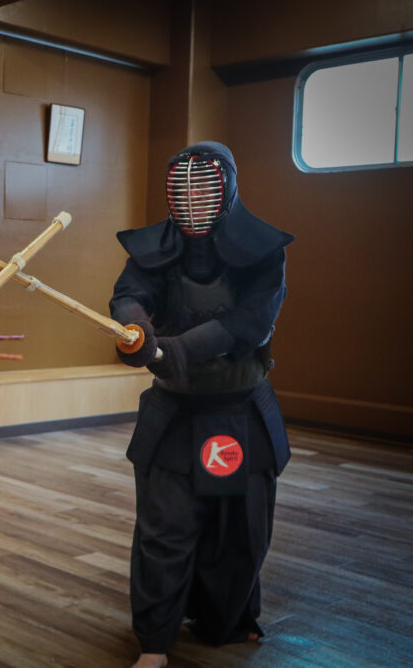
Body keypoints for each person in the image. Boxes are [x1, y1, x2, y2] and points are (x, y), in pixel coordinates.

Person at [109, 141, 293, 668]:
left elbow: (251, 322)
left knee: (241, 531)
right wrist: (136, 329)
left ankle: (228, 619)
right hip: (175, 411)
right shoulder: (153, 251)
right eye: (183, 189)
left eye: (204, 188)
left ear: (226, 189)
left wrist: (180, 349)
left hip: (241, 408)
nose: (193, 199)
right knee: (163, 531)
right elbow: (128, 295)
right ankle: (154, 643)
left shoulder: (262, 252)